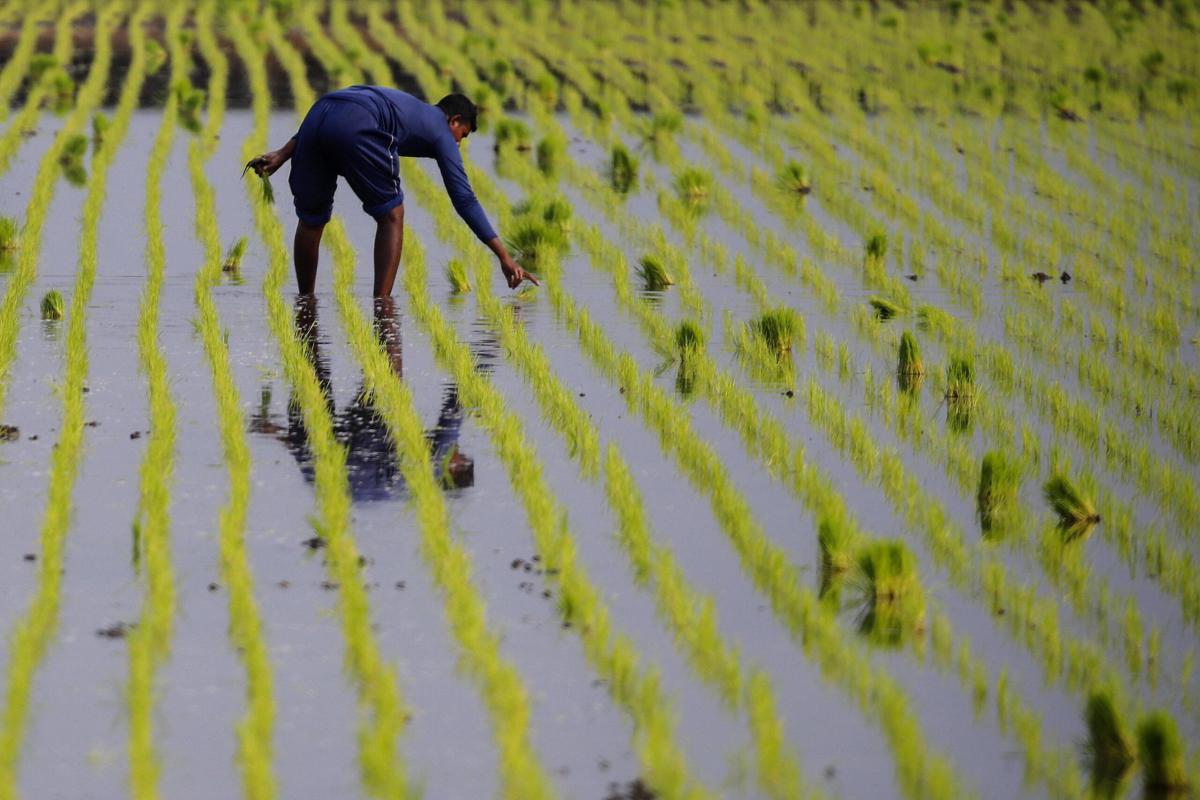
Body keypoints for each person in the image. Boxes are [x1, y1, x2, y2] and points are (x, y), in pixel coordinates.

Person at [248, 87, 538, 297]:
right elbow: (464, 198)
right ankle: (382, 307)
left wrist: (283, 153)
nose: (458, 144)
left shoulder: (408, 107)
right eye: (462, 135)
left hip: (320, 113)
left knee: (311, 220)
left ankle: (305, 301)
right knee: (392, 214)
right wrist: (504, 256)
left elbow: (336, 117)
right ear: (454, 120)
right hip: (358, 118)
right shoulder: (439, 129)